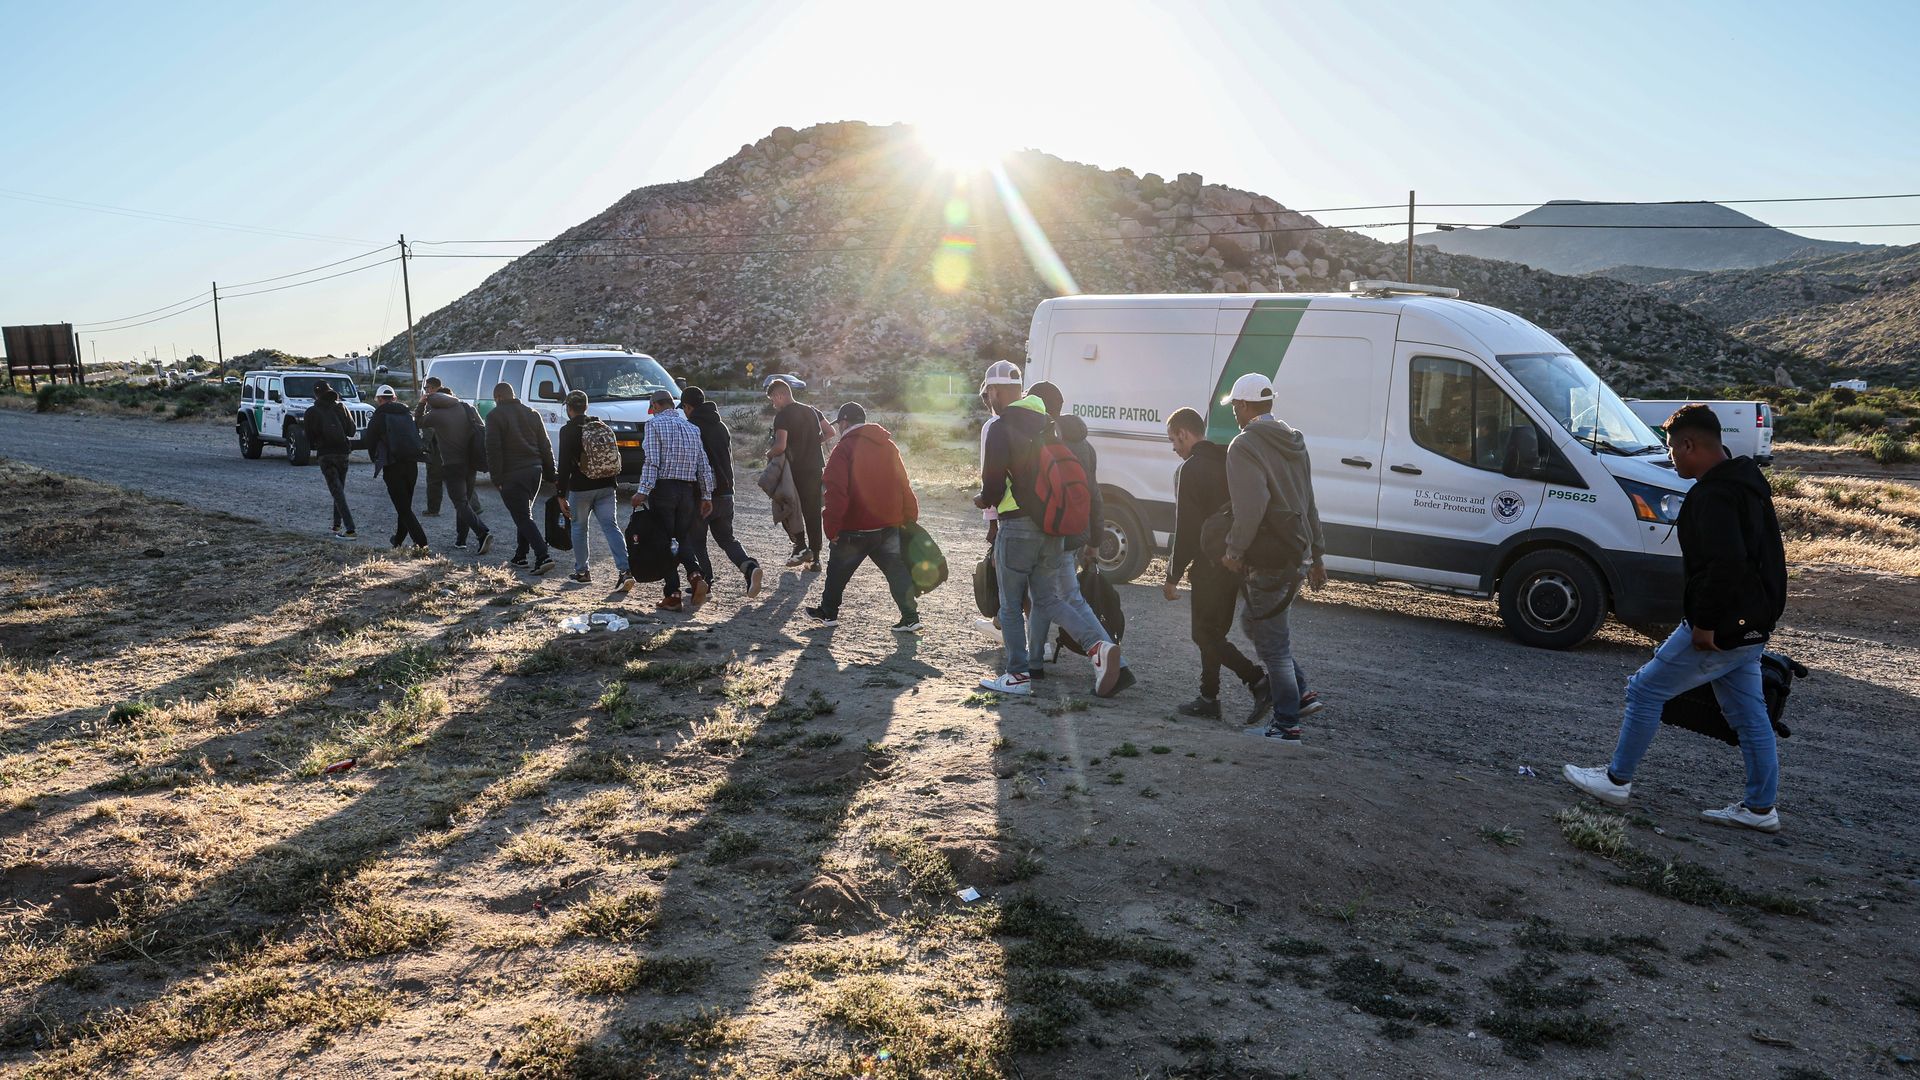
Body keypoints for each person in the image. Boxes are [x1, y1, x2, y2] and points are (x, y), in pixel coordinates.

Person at [1563, 404, 1788, 833]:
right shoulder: (1747, 482)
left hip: (1722, 625)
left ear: (1690, 444)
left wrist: (1703, 625)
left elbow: (1724, 567)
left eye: (1671, 449)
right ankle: (1761, 808)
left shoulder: (1715, 495)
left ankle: (1615, 781)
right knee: (1749, 713)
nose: (1669, 458)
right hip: (1752, 621)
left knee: (1645, 690)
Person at [975, 379, 1132, 698]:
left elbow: (993, 482)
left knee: (1009, 604)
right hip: (1052, 528)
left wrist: (983, 499)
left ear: (1004, 395)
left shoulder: (1002, 426)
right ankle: (1098, 646)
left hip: (1017, 524)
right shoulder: (1049, 426)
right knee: (1048, 599)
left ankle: (1017, 673)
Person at [1220, 373, 1326, 741]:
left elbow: (1251, 506)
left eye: (1235, 405)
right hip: (1296, 550)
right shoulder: (1294, 442)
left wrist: (1234, 549)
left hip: (1268, 555)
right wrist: (1318, 554)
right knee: (1256, 624)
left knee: (1272, 644)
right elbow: (1308, 501)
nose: (1234, 412)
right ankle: (1300, 693)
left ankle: (1285, 723)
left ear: (1247, 406)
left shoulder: (1244, 445)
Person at [1162, 406, 1278, 721]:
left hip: (1208, 564)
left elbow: (1186, 528)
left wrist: (1172, 574)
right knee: (1213, 633)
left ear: (1185, 434)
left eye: (1173, 440)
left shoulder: (1191, 469)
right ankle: (1208, 697)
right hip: (1234, 562)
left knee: (1204, 634)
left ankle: (1257, 680)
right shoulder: (1230, 460)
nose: (1174, 448)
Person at [807, 402, 921, 631]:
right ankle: (911, 617)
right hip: (887, 525)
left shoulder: (844, 449)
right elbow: (903, 483)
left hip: (855, 528)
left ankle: (829, 613)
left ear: (845, 422)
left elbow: (835, 491)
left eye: (839, 424)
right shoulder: (888, 446)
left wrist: (831, 527)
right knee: (896, 571)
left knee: (837, 571)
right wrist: (910, 515)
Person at [1021, 381, 1106, 677]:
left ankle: (1108, 654)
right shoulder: (1084, 445)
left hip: (1050, 533)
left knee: (1067, 597)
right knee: (1042, 595)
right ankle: (1034, 662)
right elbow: (1095, 494)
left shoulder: (1041, 441)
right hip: (1075, 533)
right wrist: (1095, 539)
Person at [633, 389, 715, 612]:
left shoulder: (654, 425)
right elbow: (703, 466)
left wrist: (642, 490)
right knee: (682, 536)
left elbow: (652, 461)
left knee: (664, 540)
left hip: (664, 489)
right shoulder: (692, 428)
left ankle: (673, 594)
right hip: (687, 492)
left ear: (656, 406)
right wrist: (706, 495)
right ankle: (696, 576)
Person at [681, 386, 763, 598]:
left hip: (705, 494)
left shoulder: (691, 427)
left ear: (689, 407)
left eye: (685, 408)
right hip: (727, 493)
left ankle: (705, 583)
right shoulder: (721, 426)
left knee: (697, 540)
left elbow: (693, 463)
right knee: (727, 539)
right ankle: (749, 567)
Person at [555, 390, 635, 590]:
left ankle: (582, 572)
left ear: (569, 408)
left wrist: (560, 494)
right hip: (607, 485)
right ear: (586, 406)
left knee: (579, 528)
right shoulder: (601, 426)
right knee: (611, 526)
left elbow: (564, 465)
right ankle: (625, 571)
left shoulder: (569, 430)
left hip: (581, 489)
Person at [485, 381, 557, 575]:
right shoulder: (532, 413)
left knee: (522, 516)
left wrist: (496, 478)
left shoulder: (494, 416)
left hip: (512, 474)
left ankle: (543, 556)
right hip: (535, 471)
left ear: (497, 398)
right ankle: (521, 555)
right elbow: (546, 446)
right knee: (524, 513)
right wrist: (551, 474)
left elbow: (493, 449)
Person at [417, 384, 493, 554]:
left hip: (452, 465)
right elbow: (482, 429)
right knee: (464, 502)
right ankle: (461, 540)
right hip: (471, 463)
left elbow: (418, 421)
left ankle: (483, 532)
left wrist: (421, 403)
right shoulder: (466, 407)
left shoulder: (436, 414)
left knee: (460, 503)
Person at [767, 378, 829, 571]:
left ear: (780, 395)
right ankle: (815, 559)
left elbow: (780, 446)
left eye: (773, 399)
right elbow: (830, 431)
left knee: (786, 506)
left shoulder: (783, 416)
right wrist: (813, 442)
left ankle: (800, 546)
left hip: (794, 470)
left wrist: (768, 454)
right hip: (815, 468)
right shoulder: (812, 410)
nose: (773, 404)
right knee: (812, 513)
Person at [362, 383, 430, 552]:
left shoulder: (379, 417)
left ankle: (422, 542)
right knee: (405, 505)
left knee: (403, 507)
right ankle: (398, 541)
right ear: (394, 398)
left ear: (379, 399)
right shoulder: (408, 415)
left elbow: (369, 440)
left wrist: (375, 458)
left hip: (392, 466)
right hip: (411, 465)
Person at [304, 381, 359, 541]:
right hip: (343, 453)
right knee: (339, 488)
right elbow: (351, 430)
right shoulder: (342, 407)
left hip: (326, 455)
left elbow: (309, 438)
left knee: (337, 491)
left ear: (316, 394)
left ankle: (350, 530)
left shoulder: (312, 411)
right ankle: (337, 524)